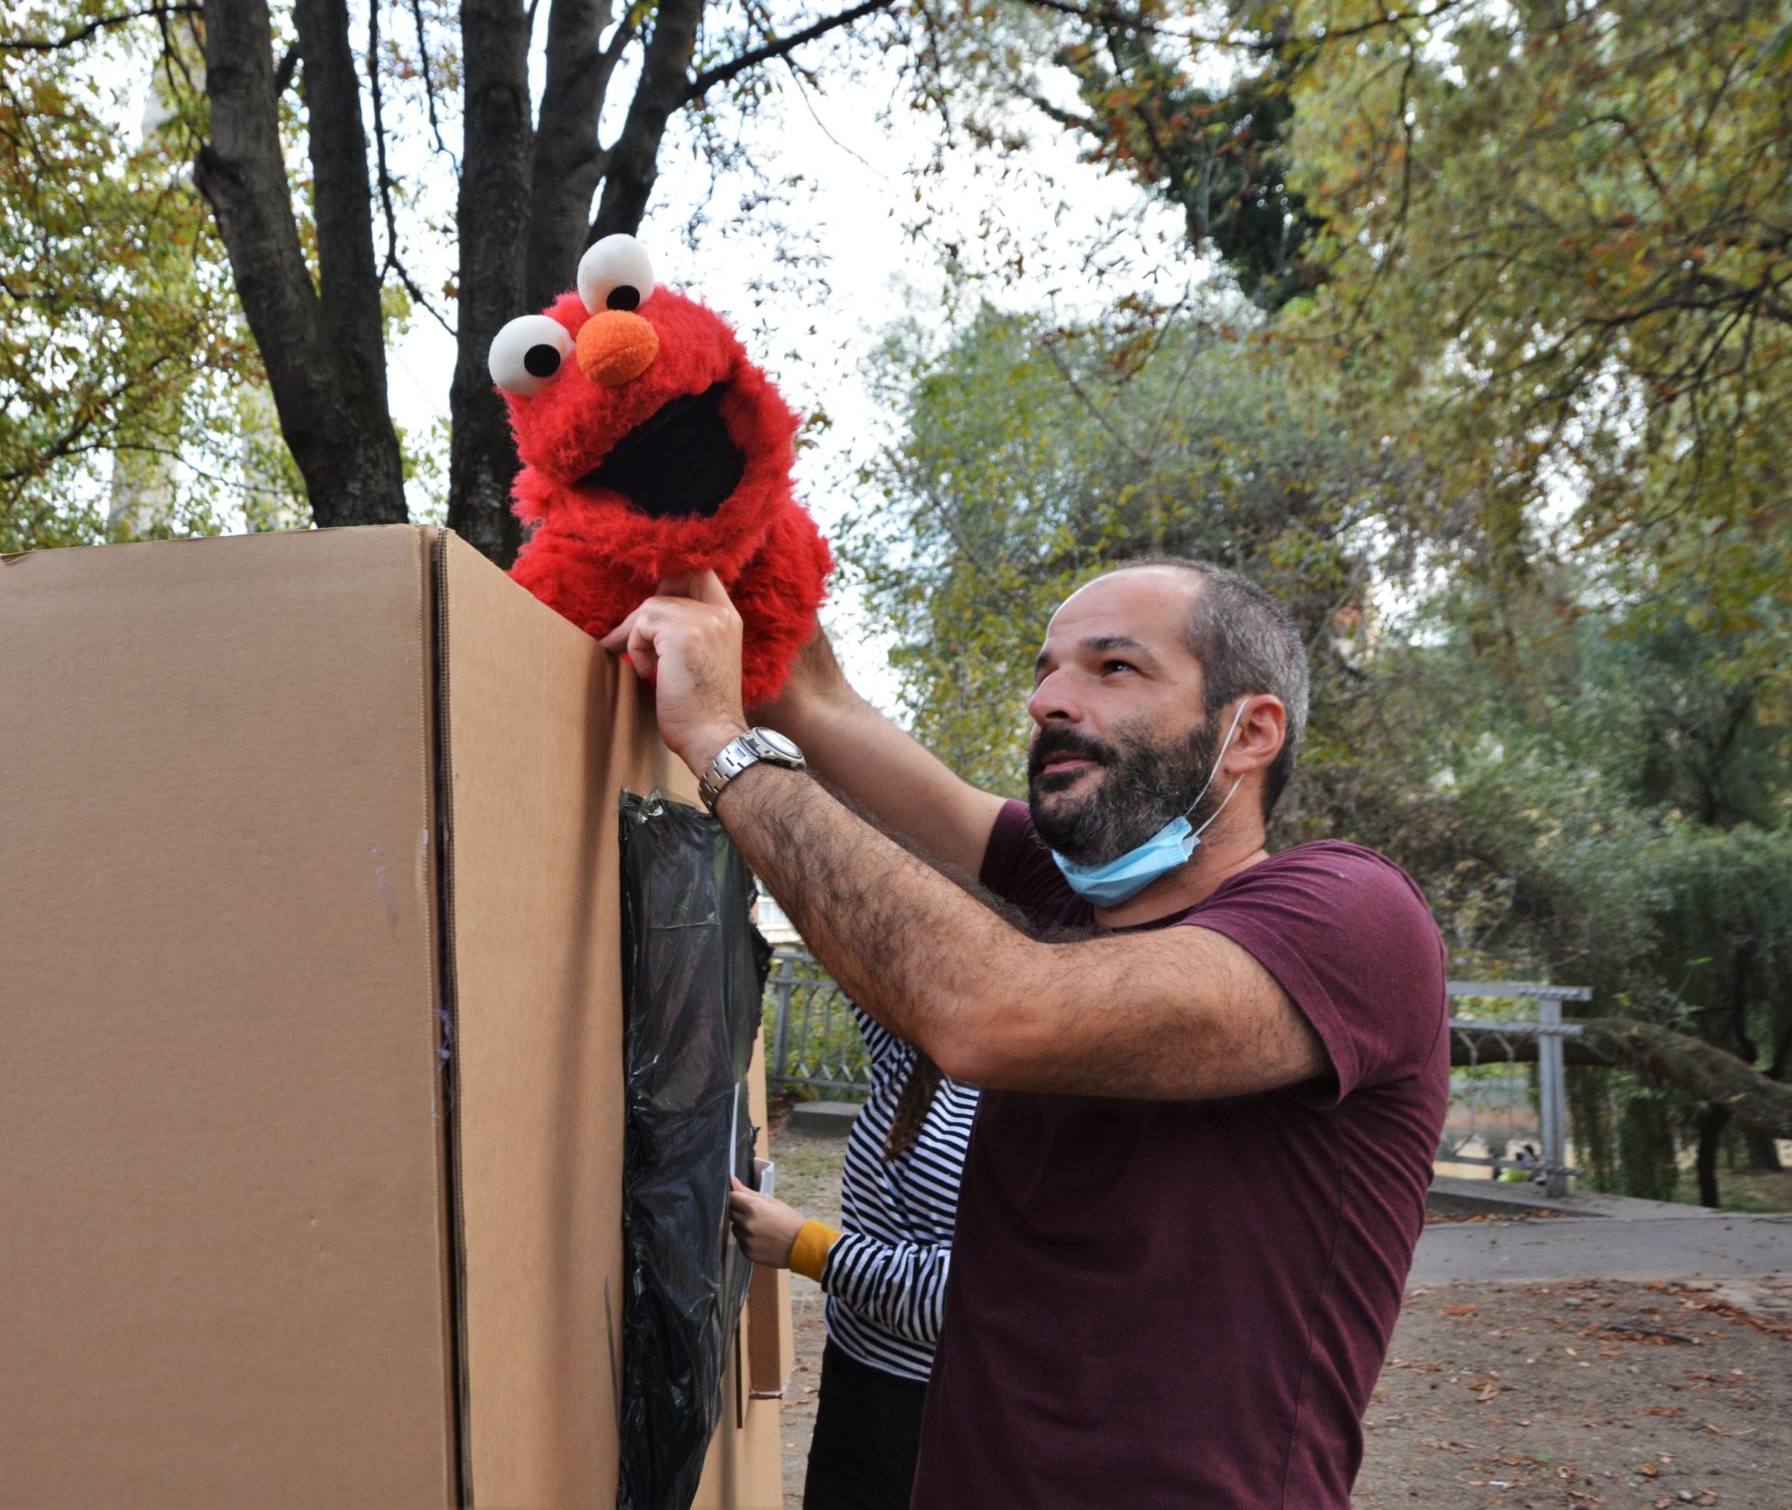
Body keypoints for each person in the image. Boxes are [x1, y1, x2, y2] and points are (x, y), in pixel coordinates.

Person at [604, 558, 1449, 1508]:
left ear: (1248, 731)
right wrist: (704, 506)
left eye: (1113, 667)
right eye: (1047, 671)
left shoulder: (1349, 917)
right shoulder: (1065, 894)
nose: (1049, 698)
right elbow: (817, 700)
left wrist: (722, 743)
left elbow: (990, 1009)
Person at [730, 991, 975, 1510]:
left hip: (949, 1411)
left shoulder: (1049, 1104)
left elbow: (976, 1295)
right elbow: (859, 933)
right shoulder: (919, 1050)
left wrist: (806, 1246)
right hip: (853, 1374)